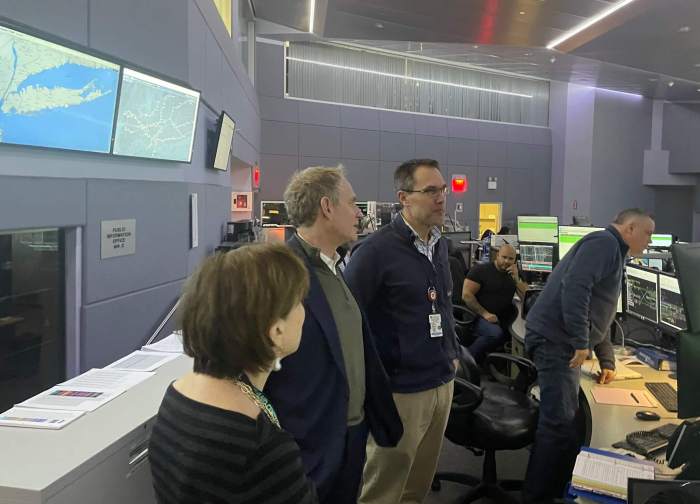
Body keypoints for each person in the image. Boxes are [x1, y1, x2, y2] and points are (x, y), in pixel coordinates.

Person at [265, 166, 403, 504]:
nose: (359, 213)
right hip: (311, 444)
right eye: (353, 203)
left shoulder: (335, 265)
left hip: (351, 434)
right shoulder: (281, 276)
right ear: (327, 207)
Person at [148, 244, 317, 504]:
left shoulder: (177, 395)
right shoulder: (261, 447)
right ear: (276, 331)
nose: (303, 311)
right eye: (298, 302)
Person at [345, 159, 459, 504]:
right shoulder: (374, 252)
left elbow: (444, 306)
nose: (441, 198)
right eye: (430, 191)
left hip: (442, 383)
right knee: (384, 487)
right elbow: (349, 320)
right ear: (404, 198)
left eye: (443, 190)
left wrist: (452, 354)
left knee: (417, 484)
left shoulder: (439, 245)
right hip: (401, 392)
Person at [522, 208, 655, 503]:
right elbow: (575, 289)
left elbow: (599, 311)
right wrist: (581, 341)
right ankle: (535, 497)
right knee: (558, 425)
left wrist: (606, 359)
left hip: (561, 339)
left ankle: (558, 489)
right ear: (630, 228)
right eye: (647, 233)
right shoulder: (604, 244)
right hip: (557, 342)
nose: (649, 240)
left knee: (569, 422)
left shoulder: (614, 250)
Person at [462, 243, 528, 363]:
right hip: (477, 316)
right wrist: (485, 313)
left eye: (510, 258)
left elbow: (526, 297)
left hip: (500, 317)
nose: (507, 261)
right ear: (497, 255)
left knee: (520, 332)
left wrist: (517, 279)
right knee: (494, 334)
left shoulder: (514, 273)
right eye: (504, 257)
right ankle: (465, 361)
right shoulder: (481, 270)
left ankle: (496, 363)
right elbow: (466, 295)